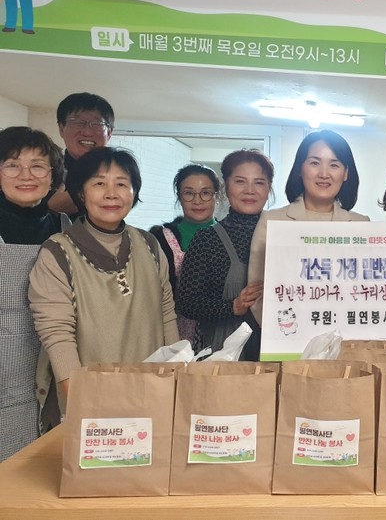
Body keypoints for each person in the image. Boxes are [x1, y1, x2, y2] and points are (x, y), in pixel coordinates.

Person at [28, 147, 178, 424]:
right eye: (99, 184)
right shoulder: (57, 252)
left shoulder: (149, 244)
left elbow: (166, 313)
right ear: (81, 193)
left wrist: (176, 379)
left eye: (121, 184)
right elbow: (57, 335)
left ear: (134, 192)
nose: (111, 194)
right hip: (92, 404)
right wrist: (82, 402)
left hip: (152, 394)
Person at [248, 129, 369, 324]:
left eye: (334, 165)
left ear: (346, 173)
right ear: (300, 169)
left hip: (345, 336)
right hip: (288, 334)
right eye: (314, 163)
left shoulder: (361, 224)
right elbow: (257, 295)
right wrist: (288, 330)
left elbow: (367, 292)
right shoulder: (271, 221)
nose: (324, 174)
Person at [0, 126, 67, 461]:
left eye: (38, 165)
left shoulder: (66, 227)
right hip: (4, 368)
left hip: (53, 365)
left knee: (43, 468)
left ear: (52, 175)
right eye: (12, 165)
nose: (26, 175)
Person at [178, 149, 274, 361]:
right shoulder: (207, 239)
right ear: (225, 187)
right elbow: (187, 303)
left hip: (278, 347)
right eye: (240, 181)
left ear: (269, 188)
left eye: (259, 182)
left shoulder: (282, 235)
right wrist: (232, 306)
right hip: (224, 353)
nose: (250, 190)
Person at [150, 164, 219, 348]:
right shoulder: (159, 239)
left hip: (220, 333)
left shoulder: (229, 236)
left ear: (217, 196)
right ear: (179, 197)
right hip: (173, 334)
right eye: (189, 193)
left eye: (206, 193)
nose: (197, 201)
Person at [48, 92, 114, 216]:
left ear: (109, 133)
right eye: (77, 123)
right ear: (61, 129)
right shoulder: (45, 171)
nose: (87, 132)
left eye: (97, 124)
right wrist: (48, 211)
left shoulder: (119, 172)